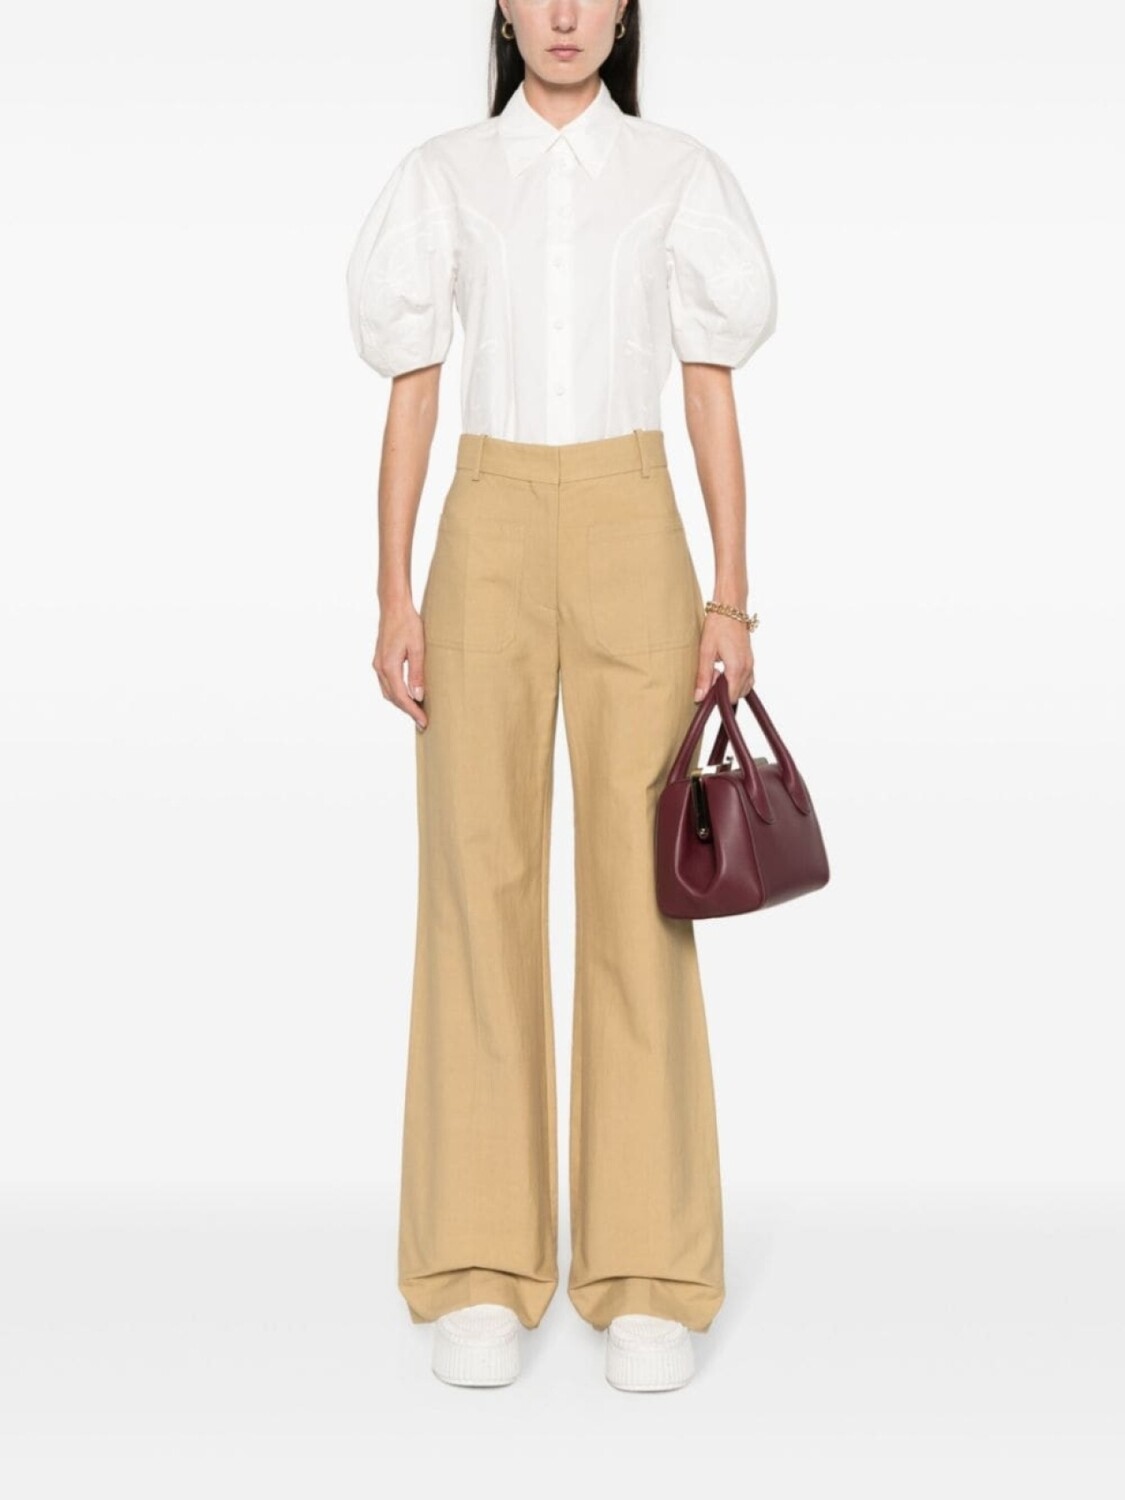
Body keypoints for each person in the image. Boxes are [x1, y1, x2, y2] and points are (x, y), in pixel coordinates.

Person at [344, 0, 775, 1392]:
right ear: (503, 8)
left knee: (643, 895)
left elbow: (708, 390)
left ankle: (646, 1271)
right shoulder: (444, 175)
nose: (568, 15)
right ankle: (478, 1264)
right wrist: (393, 592)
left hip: (634, 521)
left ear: (627, 8)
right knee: (474, 885)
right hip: (483, 525)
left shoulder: (676, 174)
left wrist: (729, 595)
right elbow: (415, 393)